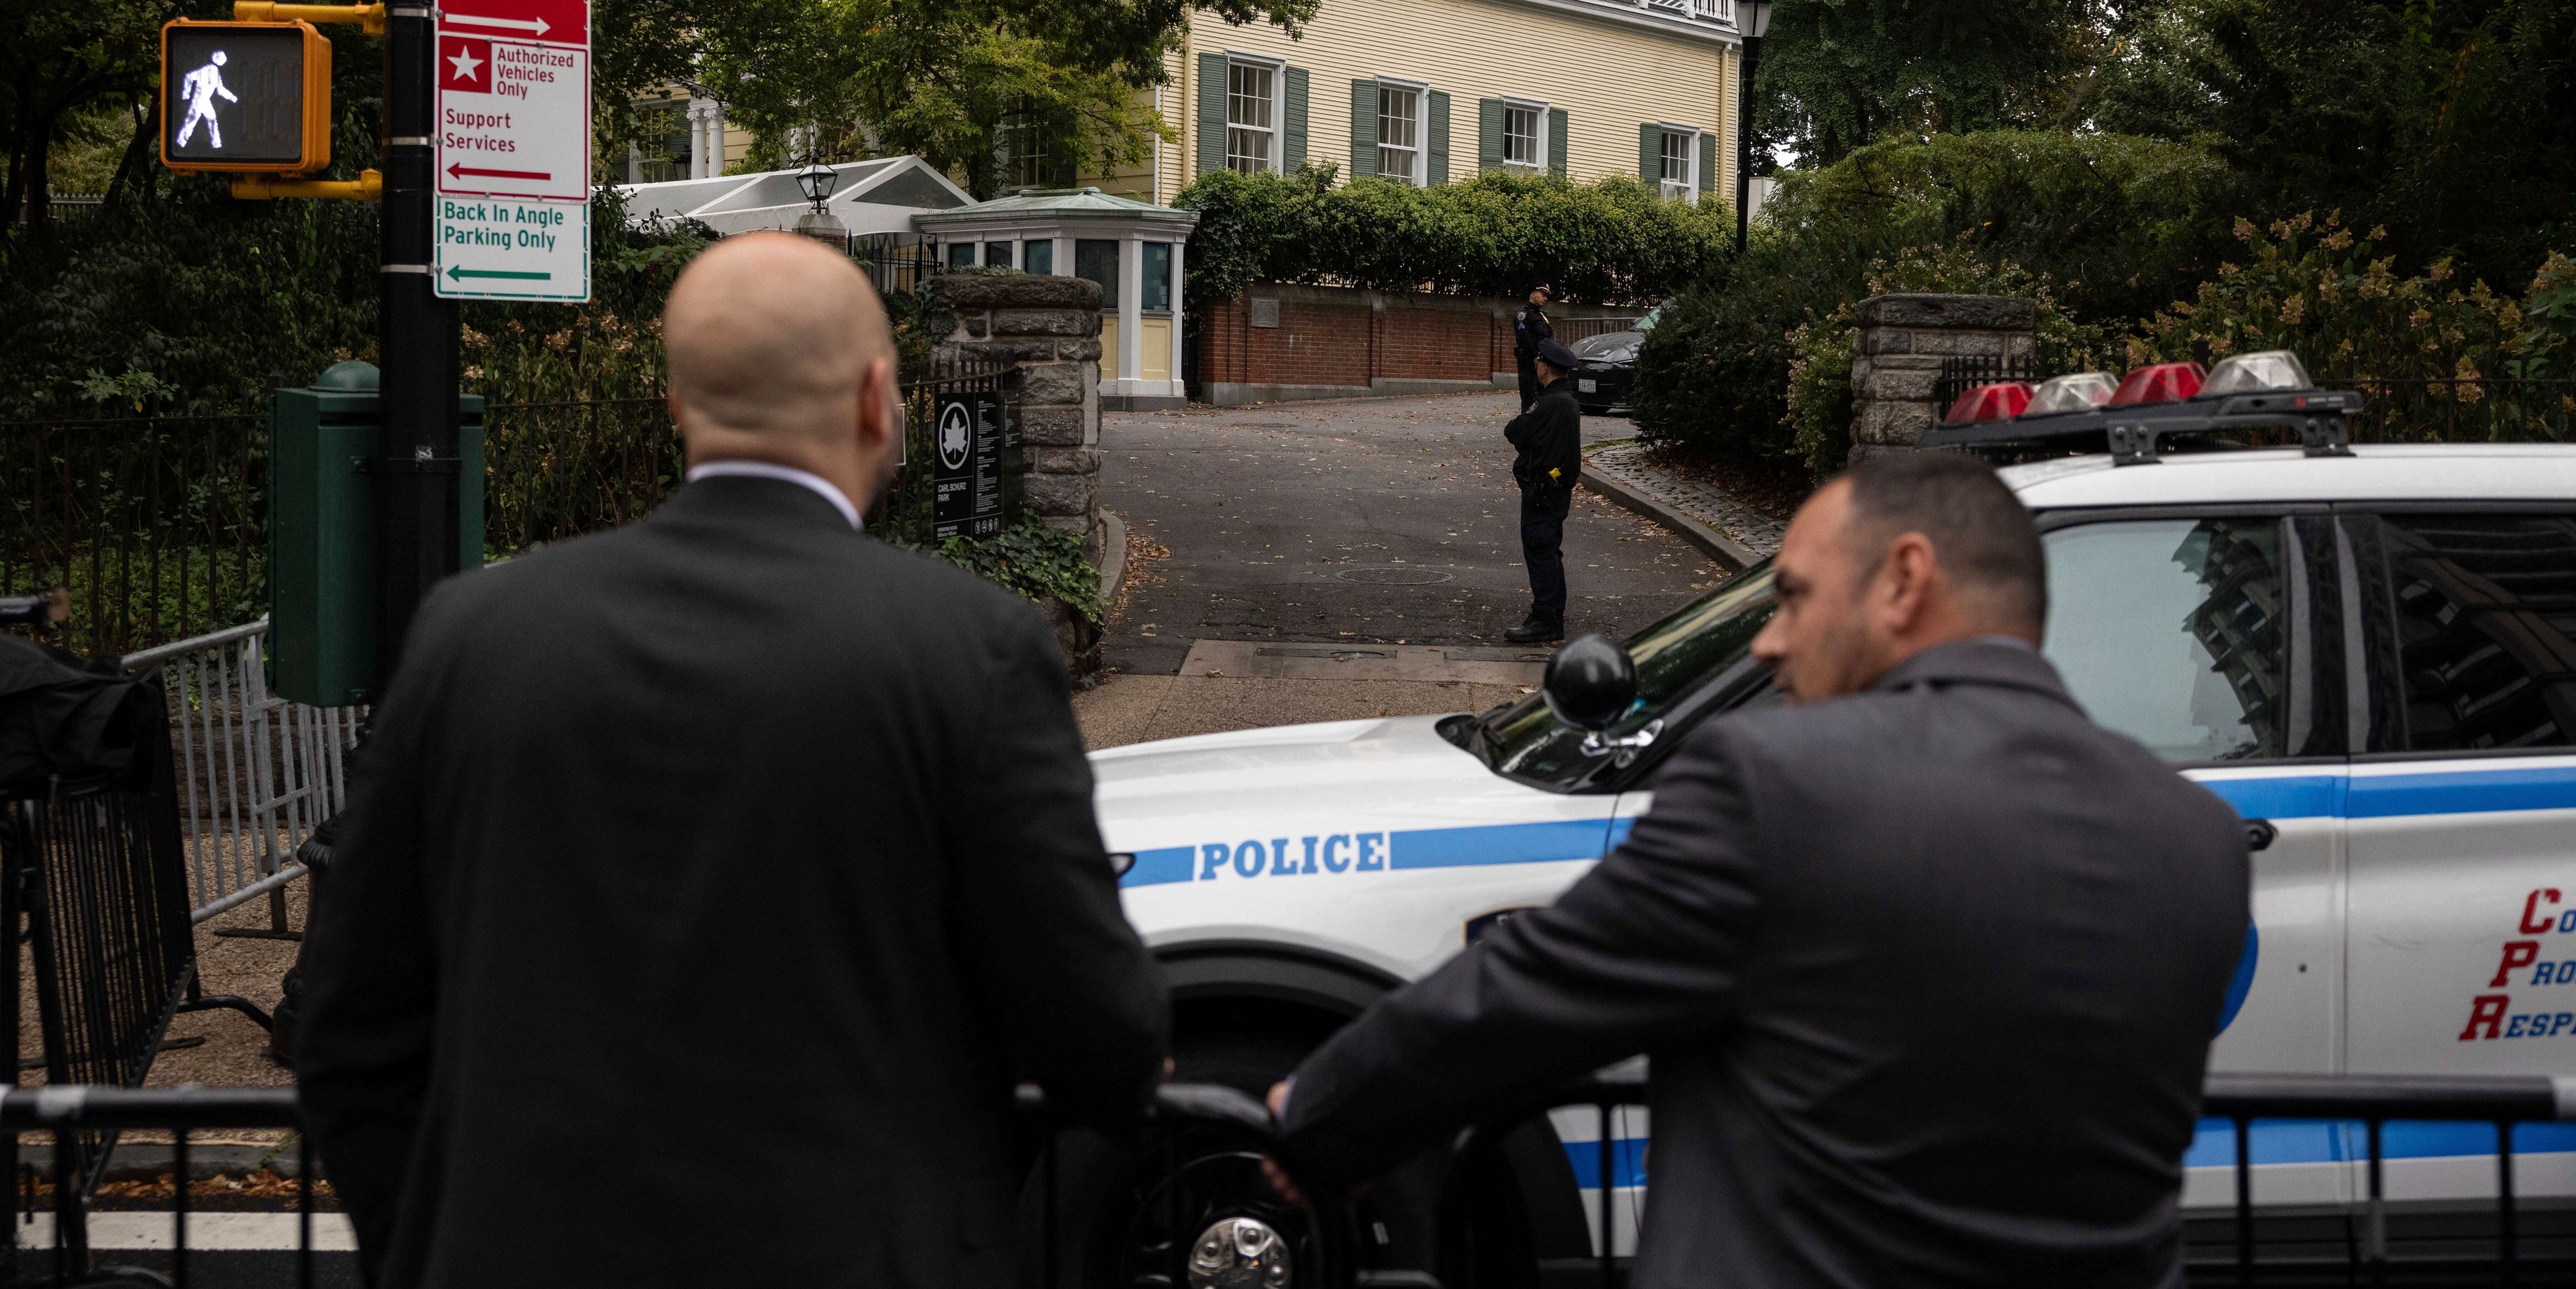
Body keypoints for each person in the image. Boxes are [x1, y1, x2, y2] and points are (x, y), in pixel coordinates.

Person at [295, 232, 1168, 1289]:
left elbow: (348, 1033)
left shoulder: (473, 635)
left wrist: (429, 1248)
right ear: (875, 399)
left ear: (678, 409)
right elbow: (1095, 1032)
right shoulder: (967, 647)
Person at [1272, 453, 2250, 1288]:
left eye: (1791, 595)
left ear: (1905, 580)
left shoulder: (1776, 783)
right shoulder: (2197, 841)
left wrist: (1317, 1114)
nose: (1770, 640)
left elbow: (1527, 995)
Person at [1503, 337, 1582, 644]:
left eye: (1537, 362)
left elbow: (1515, 431)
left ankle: (1545, 619)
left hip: (1542, 491)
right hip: (1555, 488)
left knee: (1541, 552)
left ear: (1545, 366)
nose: (1535, 366)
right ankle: (1551, 616)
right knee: (1549, 551)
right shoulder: (1566, 400)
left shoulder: (1549, 402)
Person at [1511, 283, 1554, 411]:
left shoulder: (1542, 315)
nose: (1545, 298)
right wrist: (1535, 356)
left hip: (1543, 361)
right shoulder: (1523, 314)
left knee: (1543, 395)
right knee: (1529, 396)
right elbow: (1523, 337)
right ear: (1533, 294)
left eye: (1547, 296)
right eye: (1543, 294)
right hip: (1529, 361)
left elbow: (1547, 336)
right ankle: (1527, 427)